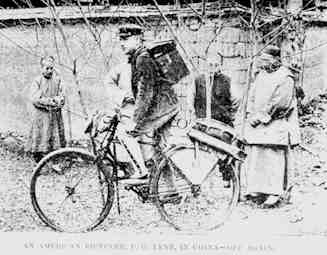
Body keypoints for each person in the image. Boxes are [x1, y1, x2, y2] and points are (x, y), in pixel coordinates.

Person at [115, 24, 179, 179]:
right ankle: (170, 191)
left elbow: (146, 92)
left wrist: (135, 120)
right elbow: (145, 87)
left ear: (137, 39)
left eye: (125, 39)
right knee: (160, 148)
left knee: (126, 134)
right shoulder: (139, 56)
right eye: (120, 39)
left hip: (162, 108)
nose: (121, 43)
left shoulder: (142, 58)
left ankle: (141, 171)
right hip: (165, 105)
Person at [242, 45, 300, 208]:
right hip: (257, 123)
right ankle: (258, 190)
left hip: (276, 123)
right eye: (262, 61)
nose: (263, 64)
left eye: (267, 61)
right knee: (257, 156)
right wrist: (251, 113)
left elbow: (281, 103)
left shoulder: (285, 77)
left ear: (276, 60)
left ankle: (274, 193)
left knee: (273, 158)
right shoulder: (260, 75)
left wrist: (262, 117)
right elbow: (252, 96)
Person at [26, 56, 66, 163]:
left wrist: (58, 101)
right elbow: (35, 99)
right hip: (41, 115)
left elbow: (62, 96)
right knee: (40, 135)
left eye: (51, 68)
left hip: (54, 115)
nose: (49, 71)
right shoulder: (37, 81)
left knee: (54, 136)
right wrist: (49, 102)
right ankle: (38, 161)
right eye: (47, 68)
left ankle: (55, 160)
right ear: (42, 68)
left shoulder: (58, 80)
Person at [193, 57, 235, 126]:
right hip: (202, 121)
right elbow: (191, 99)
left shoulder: (227, 81)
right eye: (210, 65)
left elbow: (237, 100)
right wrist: (194, 114)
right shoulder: (198, 80)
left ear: (220, 66)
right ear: (206, 66)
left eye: (216, 65)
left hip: (222, 122)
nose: (213, 68)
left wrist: (229, 114)